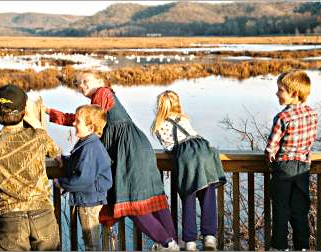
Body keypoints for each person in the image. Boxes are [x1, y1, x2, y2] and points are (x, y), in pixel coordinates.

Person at [45, 71, 179, 250]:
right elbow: (84, 120)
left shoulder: (103, 92)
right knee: (155, 198)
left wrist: (49, 112)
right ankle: (174, 242)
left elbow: (87, 120)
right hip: (140, 148)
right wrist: (49, 112)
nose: (82, 85)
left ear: (101, 81)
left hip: (129, 152)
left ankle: (167, 243)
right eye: (78, 83)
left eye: (86, 81)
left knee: (132, 203)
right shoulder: (100, 99)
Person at [0, 84, 61, 250]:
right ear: (24, 111)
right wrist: (35, 121)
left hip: (10, 216)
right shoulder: (38, 137)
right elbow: (55, 152)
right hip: (42, 213)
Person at [151, 90, 226, 251]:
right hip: (204, 151)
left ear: (159, 106)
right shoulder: (183, 119)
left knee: (188, 197)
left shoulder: (158, 125)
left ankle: (190, 241)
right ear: (177, 104)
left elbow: (169, 148)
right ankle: (210, 237)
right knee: (208, 195)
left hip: (186, 157)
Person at [265, 70, 317, 251]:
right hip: (303, 167)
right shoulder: (312, 113)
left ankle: (279, 247)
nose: (277, 93)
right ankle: (302, 247)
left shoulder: (282, 117)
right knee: (299, 210)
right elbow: (310, 141)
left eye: (280, 90)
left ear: (294, 94)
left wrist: (270, 156)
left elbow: (271, 148)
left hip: (284, 167)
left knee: (281, 210)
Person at [55, 104, 112, 251]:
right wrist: (63, 160)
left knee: (91, 244)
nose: (73, 123)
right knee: (90, 241)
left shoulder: (90, 148)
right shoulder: (87, 144)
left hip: (89, 202)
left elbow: (83, 179)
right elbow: (78, 164)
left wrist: (61, 183)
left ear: (91, 128)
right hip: (89, 199)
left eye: (77, 121)